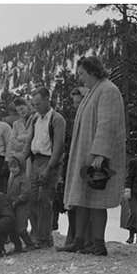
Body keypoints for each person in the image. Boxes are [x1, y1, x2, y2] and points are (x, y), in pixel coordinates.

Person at [60, 56, 126, 257]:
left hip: (95, 155)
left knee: (97, 200)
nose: (80, 78)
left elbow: (107, 124)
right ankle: (79, 241)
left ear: (93, 71)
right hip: (85, 152)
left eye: (82, 73)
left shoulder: (108, 90)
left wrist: (100, 154)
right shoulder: (93, 92)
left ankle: (98, 243)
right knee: (82, 198)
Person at [25, 86, 67, 249]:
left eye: (39, 104)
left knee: (45, 199)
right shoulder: (35, 119)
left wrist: (49, 168)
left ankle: (45, 237)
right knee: (31, 198)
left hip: (50, 162)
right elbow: (30, 141)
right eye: (34, 105)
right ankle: (36, 234)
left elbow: (58, 146)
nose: (37, 107)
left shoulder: (57, 119)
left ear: (48, 100)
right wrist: (21, 158)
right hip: (36, 161)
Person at [54, 86, 85, 236]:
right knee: (71, 201)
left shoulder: (88, 119)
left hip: (84, 164)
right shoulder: (75, 121)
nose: (76, 106)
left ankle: (82, 236)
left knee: (82, 202)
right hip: (70, 163)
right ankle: (73, 236)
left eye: (79, 103)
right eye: (74, 103)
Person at [6, 153, 34, 253]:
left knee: (21, 228)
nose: (12, 169)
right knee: (13, 227)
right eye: (10, 167)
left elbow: (26, 193)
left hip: (22, 206)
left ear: (21, 166)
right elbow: (9, 192)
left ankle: (29, 244)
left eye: (15, 167)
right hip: (13, 206)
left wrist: (17, 201)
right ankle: (18, 246)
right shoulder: (11, 179)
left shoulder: (24, 178)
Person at [7, 97, 33, 162]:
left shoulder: (36, 119)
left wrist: (20, 137)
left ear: (27, 106)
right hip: (20, 159)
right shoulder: (16, 124)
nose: (21, 112)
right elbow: (12, 143)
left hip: (33, 158)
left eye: (22, 109)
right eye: (18, 110)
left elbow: (35, 139)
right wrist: (28, 141)